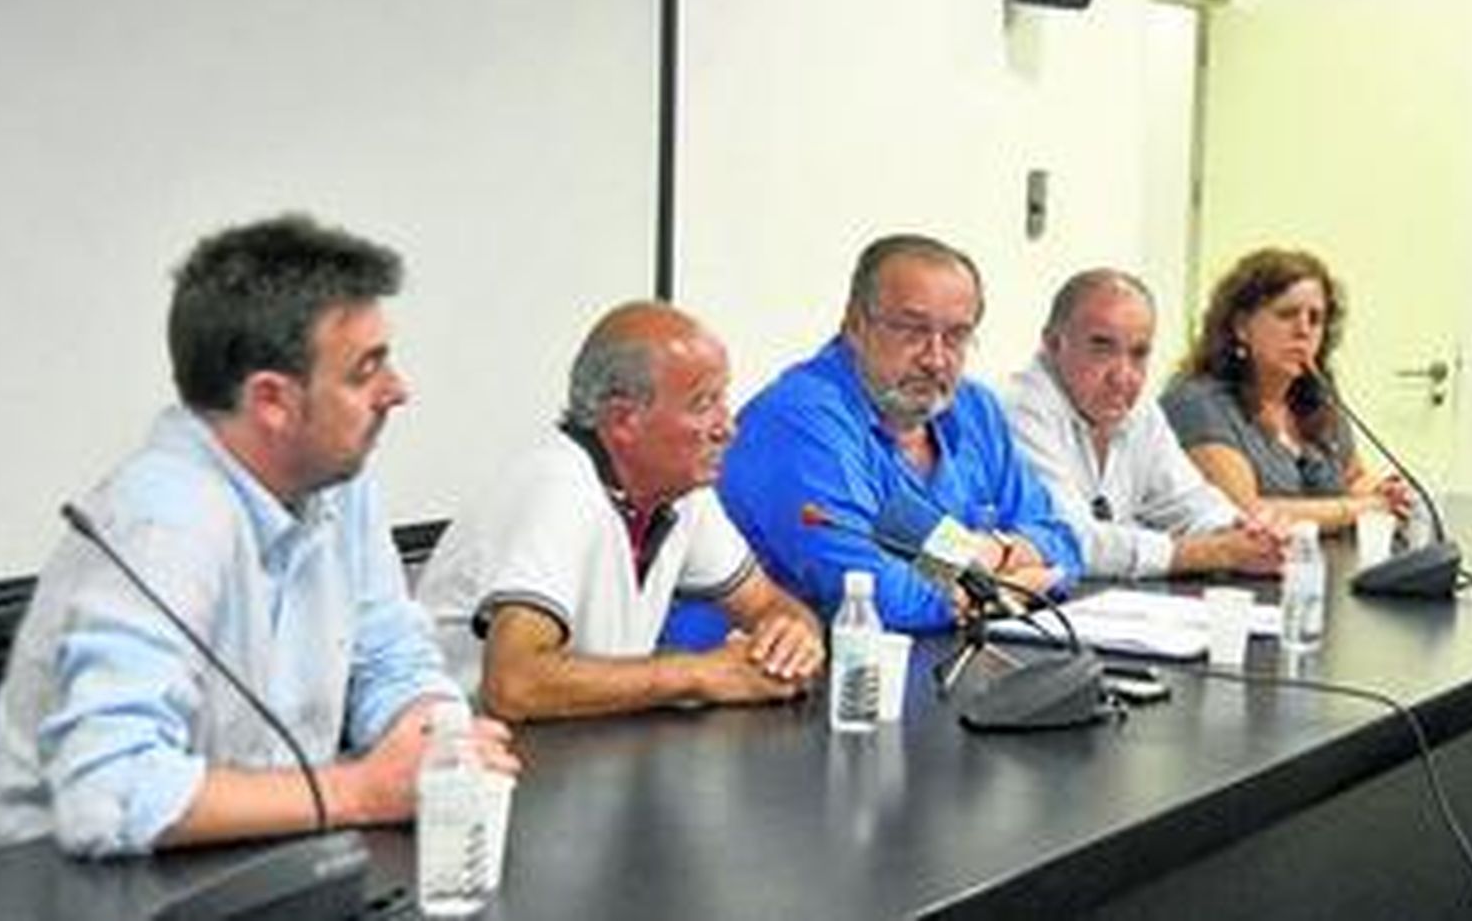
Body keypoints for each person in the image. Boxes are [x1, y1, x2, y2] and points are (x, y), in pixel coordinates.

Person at [0, 215, 519, 857]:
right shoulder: (163, 519)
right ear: (272, 401)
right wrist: (365, 791)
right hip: (63, 888)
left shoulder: (337, 482)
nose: (398, 391)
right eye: (366, 371)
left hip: (255, 858)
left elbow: (392, 657)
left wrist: (435, 741)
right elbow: (107, 794)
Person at [415, 301, 824, 722]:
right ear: (623, 420)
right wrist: (701, 674)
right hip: (453, 763)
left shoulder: (682, 491)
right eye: (703, 405)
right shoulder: (558, 488)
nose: (728, 427)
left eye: (723, 399)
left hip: (570, 753)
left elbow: (766, 603)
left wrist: (792, 637)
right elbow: (514, 685)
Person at [718, 234, 1082, 633]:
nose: (936, 359)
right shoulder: (799, 420)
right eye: (912, 330)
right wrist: (1000, 582)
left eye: (957, 335)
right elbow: (881, 600)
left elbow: (1063, 545)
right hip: (763, 681)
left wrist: (991, 551)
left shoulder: (974, 408)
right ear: (855, 325)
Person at [1004, 268, 1284, 579]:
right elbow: (1068, 540)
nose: (1123, 376)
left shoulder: (1140, 411)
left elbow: (1190, 501)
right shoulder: (1018, 411)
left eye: (1139, 354)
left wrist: (1246, 532)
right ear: (1053, 344)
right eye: (1102, 347)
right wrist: (1215, 552)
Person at [1161, 248, 1411, 532]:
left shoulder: (1318, 396)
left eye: (1315, 318)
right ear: (1242, 327)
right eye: (1287, 314)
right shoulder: (1197, 402)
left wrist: (1384, 491)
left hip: (1318, 566)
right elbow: (1243, 512)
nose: (1304, 330)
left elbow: (1352, 479)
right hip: (1231, 573)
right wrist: (1357, 510)